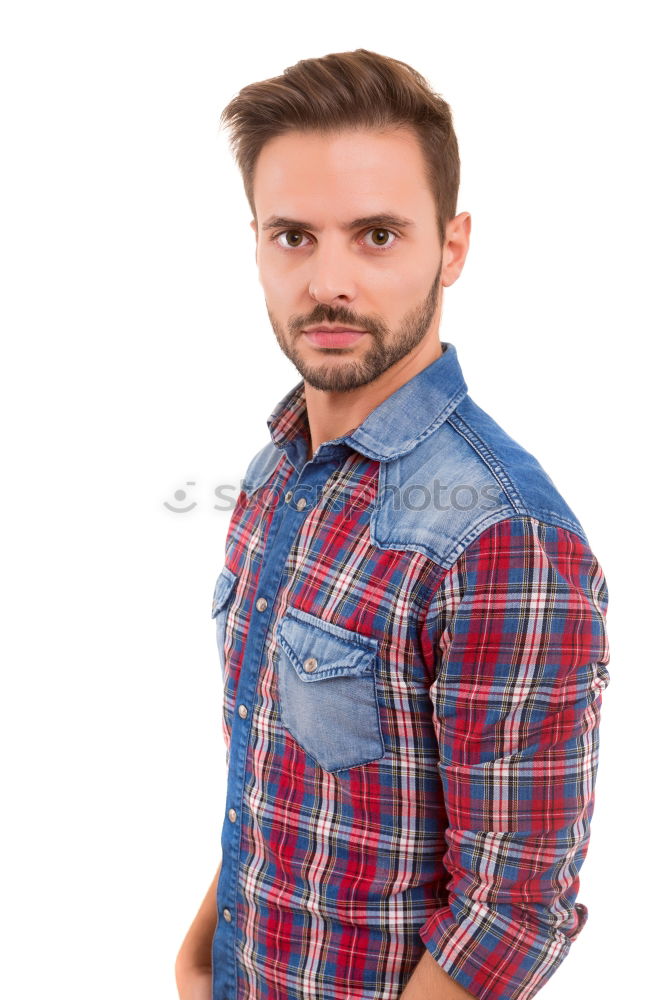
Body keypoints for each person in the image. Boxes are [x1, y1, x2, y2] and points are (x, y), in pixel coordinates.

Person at [175, 48, 611, 1000]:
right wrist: (199, 957)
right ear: (256, 241)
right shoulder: (273, 475)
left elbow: (512, 909)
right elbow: (272, 768)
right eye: (294, 236)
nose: (330, 281)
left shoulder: (502, 535)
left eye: (377, 234)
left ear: (451, 248)